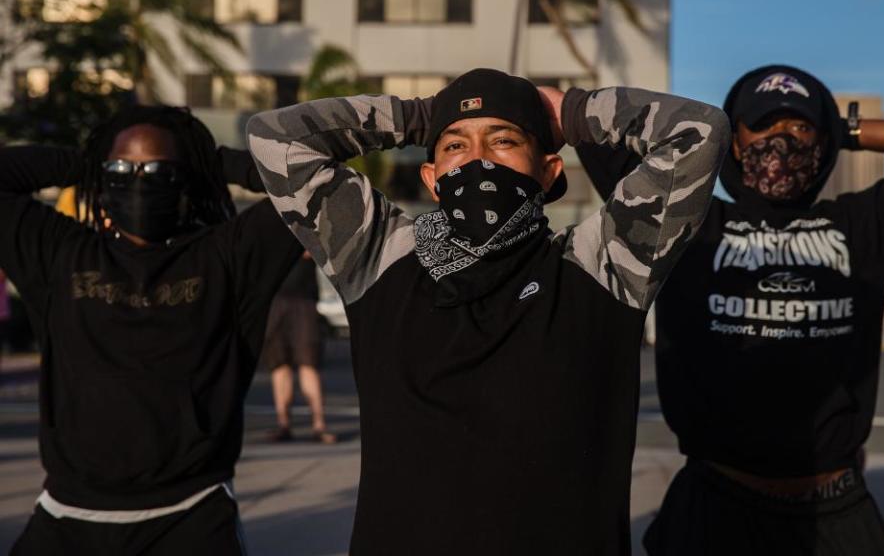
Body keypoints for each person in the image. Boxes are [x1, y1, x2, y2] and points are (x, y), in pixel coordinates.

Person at [247, 68, 729, 553]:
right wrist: (419, 117)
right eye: (455, 146)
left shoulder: (603, 267)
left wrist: (574, 114)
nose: (477, 160)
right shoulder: (378, 260)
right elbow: (275, 137)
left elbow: (698, 132)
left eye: (503, 141)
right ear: (432, 179)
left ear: (549, 171)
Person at [578, 64, 884, 555]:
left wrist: (843, 129)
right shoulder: (686, 223)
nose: (781, 140)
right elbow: (594, 132)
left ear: (823, 143)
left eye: (800, 127)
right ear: (733, 141)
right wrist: (704, 133)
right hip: (714, 508)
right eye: (762, 124)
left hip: (835, 511)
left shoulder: (864, 226)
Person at [2, 105, 303, 555]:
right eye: (122, 168)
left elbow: (311, 180)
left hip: (189, 517)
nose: (138, 178)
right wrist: (87, 161)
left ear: (184, 181)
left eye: (158, 168)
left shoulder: (226, 257)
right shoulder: (60, 255)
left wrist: (208, 162)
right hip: (68, 520)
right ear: (103, 180)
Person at [262, 251, 337, 443]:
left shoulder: (303, 223)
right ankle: (283, 424)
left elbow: (315, 251)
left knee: (308, 363)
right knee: (279, 365)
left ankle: (319, 425)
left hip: (303, 299)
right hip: (273, 299)